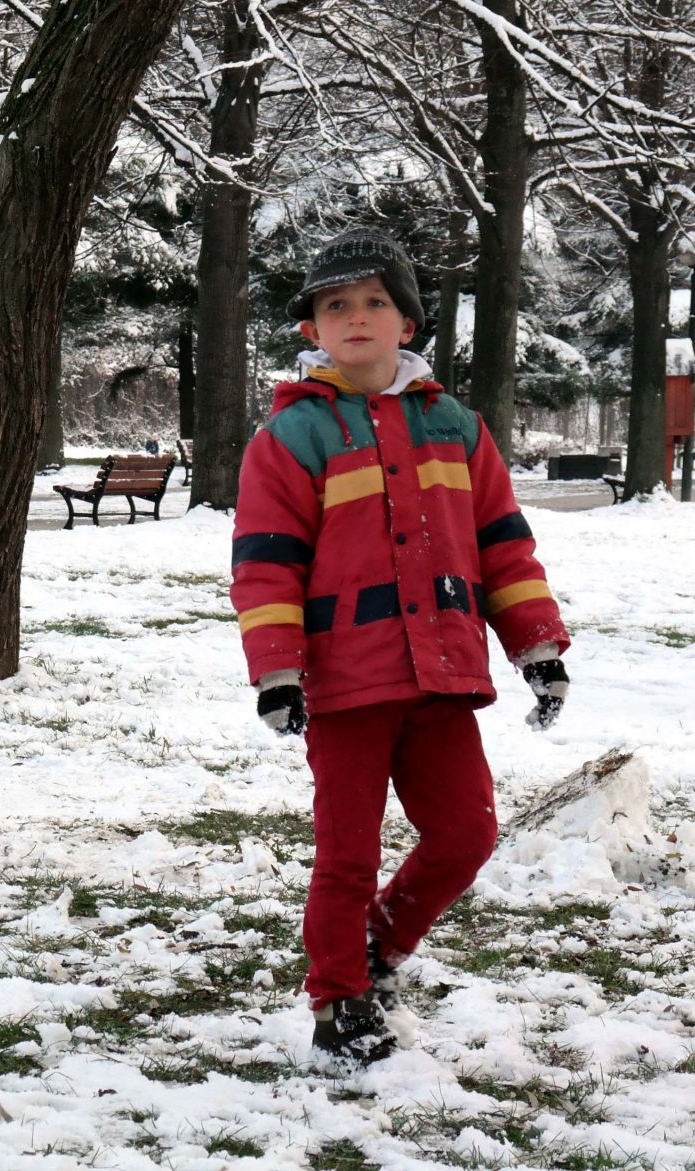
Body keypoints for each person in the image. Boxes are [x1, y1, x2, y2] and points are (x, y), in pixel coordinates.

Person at [230, 226, 571, 1068]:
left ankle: (379, 948)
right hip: (345, 683)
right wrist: (278, 671)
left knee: (466, 833)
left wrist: (537, 646)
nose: (356, 317)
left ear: (408, 323)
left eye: (376, 301)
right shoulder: (292, 438)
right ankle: (337, 1000)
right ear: (311, 329)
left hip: (443, 675)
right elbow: (266, 565)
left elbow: (504, 548)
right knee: (347, 850)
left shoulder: (455, 426)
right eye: (335, 305)